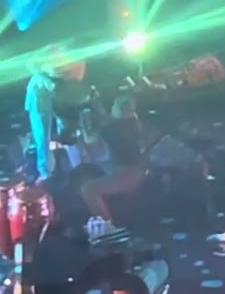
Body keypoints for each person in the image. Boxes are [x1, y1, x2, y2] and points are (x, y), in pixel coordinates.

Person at [80, 95, 146, 224]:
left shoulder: (116, 128)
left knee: (88, 189)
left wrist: (83, 119)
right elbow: (106, 119)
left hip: (127, 176)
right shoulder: (133, 123)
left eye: (114, 106)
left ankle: (108, 225)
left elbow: (89, 138)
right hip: (136, 171)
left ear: (119, 109)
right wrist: (97, 104)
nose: (111, 108)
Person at [25, 46, 86, 183]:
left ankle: (79, 169)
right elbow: (30, 64)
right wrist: (46, 79)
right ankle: (46, 173)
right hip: (40, 92)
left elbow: (78, 74)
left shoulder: (75, 53)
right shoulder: (46, 48)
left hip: (63, 92)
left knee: (69, 132)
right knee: (42, 134)